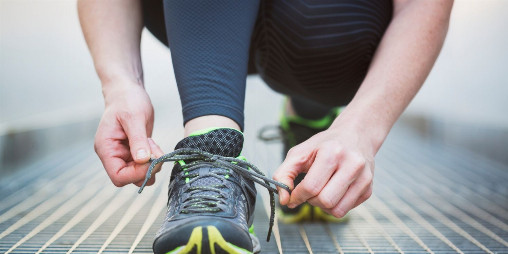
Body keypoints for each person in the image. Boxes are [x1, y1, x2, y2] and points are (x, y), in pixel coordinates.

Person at [78, 0, 453, 253]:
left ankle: (312, 119)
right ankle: (212, 158)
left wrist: (361, 129)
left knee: (328, 17)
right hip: (194, 15)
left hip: (327, 26)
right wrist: (120, 83)